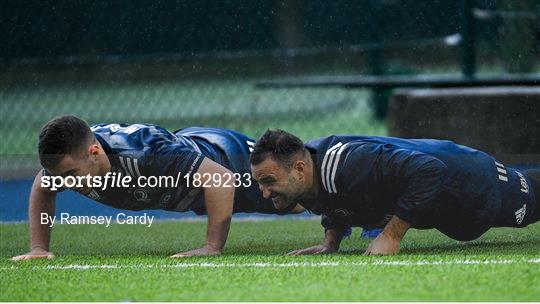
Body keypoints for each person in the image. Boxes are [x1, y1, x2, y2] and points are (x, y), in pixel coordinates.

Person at [12, 116, 303, 261]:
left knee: (299, 196)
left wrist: (211, 248)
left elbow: (222, 179)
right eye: (60, 176)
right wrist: (38, 248)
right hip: (193, 183)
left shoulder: (146, 155)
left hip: (227, 160)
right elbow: (42, 185)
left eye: (71, 174)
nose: (64, 183)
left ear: (94, 153)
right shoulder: (68, 164)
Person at [249, 129, 539, 255]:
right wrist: (331, 242)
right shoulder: (309, 172)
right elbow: (331, 198)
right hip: (450, 211)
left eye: (269, 181)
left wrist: (391, 236)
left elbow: (429, 170)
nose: (264, 192)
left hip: (473, 182)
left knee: (533, 201)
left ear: (299, 169)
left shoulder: (354, 163)